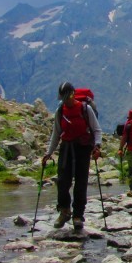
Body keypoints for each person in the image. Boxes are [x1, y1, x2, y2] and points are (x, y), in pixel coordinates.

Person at [42, 82, 102, 230]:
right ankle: (64, 211)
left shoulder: (85, 109)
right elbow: (56, 133)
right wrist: (48, 153)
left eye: (67, 98)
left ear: (72, 95)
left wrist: (97, 146)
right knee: (62, 181)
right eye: (63, 98)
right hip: (66, 148)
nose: (65, 101)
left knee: (81, 183)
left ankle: (78, 215)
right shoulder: (60, 111)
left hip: (82, 148)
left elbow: (96, 130)